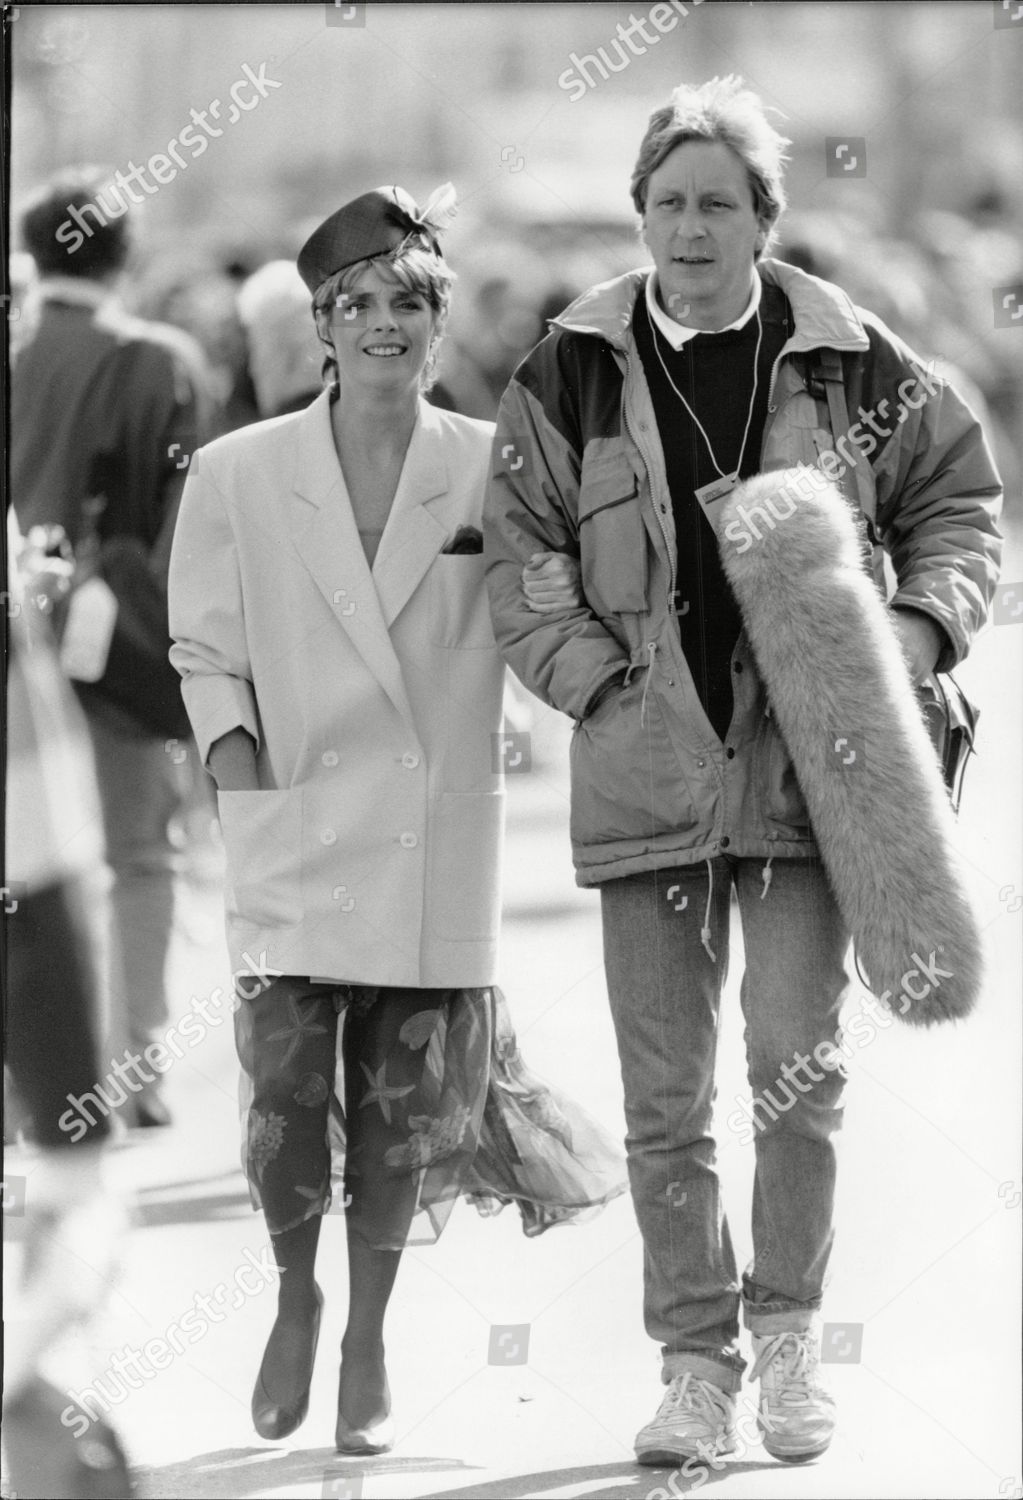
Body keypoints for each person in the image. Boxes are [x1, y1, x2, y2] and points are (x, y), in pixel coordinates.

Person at [483, 76, 1002, 1467]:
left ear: (763, 219)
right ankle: (691, 1368)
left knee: (793, 1068)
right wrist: (598, 689)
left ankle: (785, 1348)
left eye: (718, 203)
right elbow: (523, 554)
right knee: (663, 1100)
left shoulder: (849, 358)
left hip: (804, 778)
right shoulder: (570, 368)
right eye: (666, 203)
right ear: (637, 216)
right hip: (642, 776)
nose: (689, 227)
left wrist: (910, 624)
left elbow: (957, 502)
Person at [167, 183, 626, 1455]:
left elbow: (540, 615)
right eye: (357, 304)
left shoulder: (491, 463)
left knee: (402, 1108)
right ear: (323, 324)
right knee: (282, 1102)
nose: (384, 324)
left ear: (439, 322)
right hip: (296, 819)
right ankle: (295, 1294)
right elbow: (202, 643)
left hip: (432, 824)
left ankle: (370, 1327)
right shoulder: (237, 471)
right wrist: (240, 765)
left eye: (408, 303)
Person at [11, 165, 219, 1129]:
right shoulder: (159, 361)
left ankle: (30, 1085)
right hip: (121, 639)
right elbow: (187, 527)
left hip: (17, 637)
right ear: (124, 254)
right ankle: (133, 1071)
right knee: (141, 853)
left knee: (22, 865)